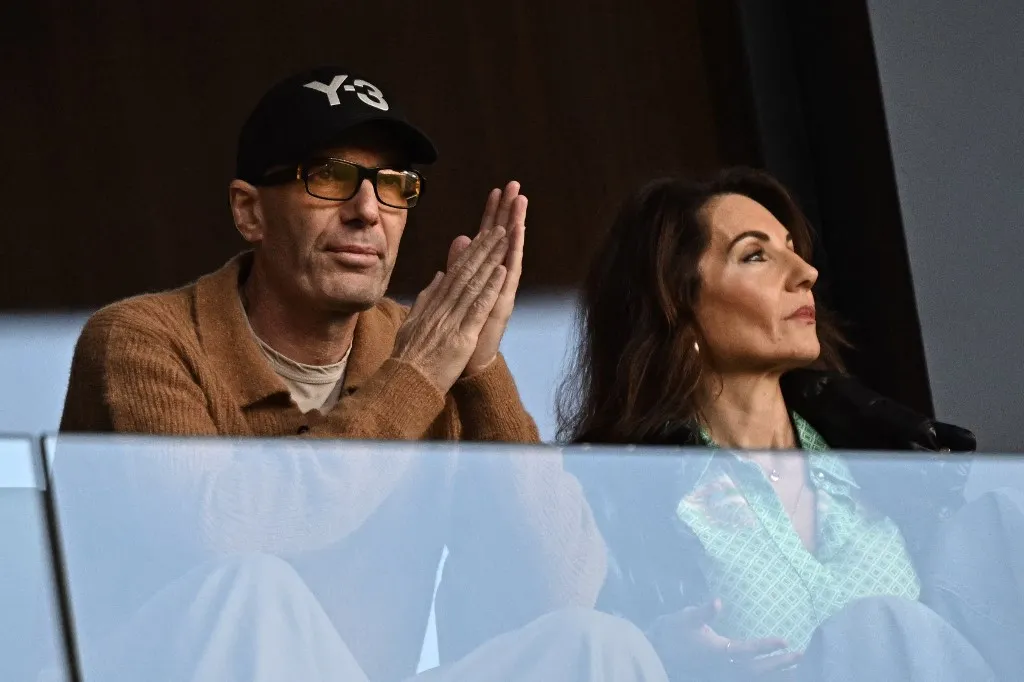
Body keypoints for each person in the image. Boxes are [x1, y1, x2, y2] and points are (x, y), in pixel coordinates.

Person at [55, 67, 667, 682]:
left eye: (394, 185)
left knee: (597, 642)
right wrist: (415, 377)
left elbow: (562, 587)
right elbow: (223, 532)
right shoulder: (143, 337)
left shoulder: (426, 346)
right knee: (254, 586)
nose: (368, 211)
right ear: (249, 211)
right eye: (329, 177)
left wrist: (479, 371)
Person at [558, 167, 1024, 681]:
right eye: (756, 255)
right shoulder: (623, 499)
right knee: (876, 626)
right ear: (676, 305)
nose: (806, 272)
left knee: (1004, 517)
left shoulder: (878, 456)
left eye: (793, 249)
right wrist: (658, 656)